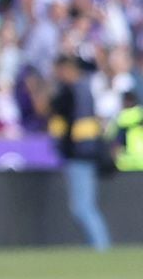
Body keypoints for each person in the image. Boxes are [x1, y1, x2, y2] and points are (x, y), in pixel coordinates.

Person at [48, 53, 114, 253]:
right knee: (84, 206)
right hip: (84, 155)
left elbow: (62, 118)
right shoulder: (85, 89)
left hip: (80, 156)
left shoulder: (75, 91)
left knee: (82, 208)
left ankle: (101, 247)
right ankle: (98, 246)